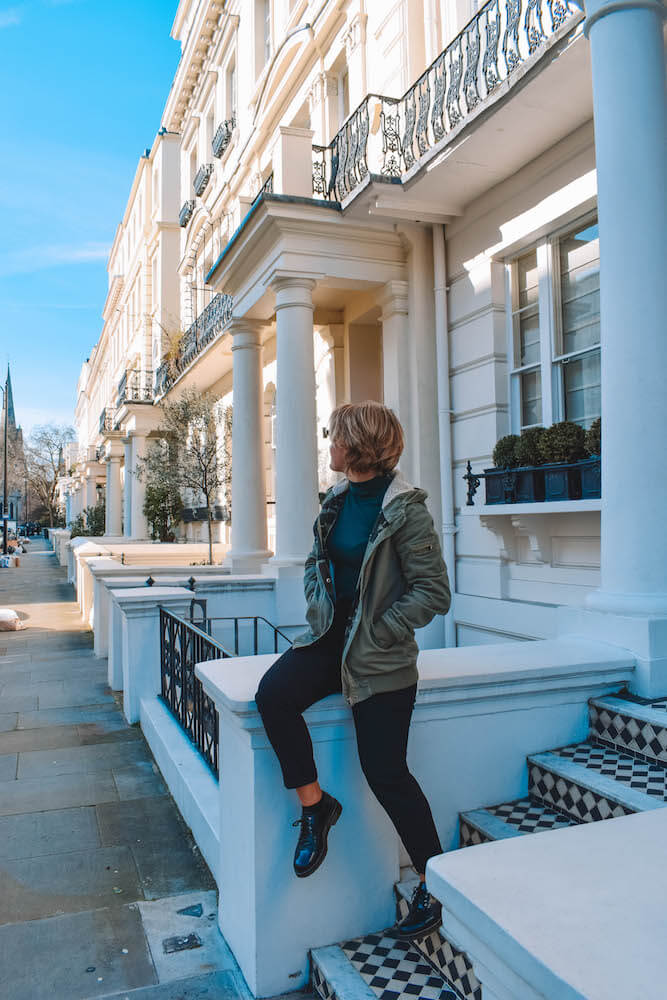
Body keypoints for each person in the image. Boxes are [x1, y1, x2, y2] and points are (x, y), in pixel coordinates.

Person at [255, 400, 451, 939]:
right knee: (273, 696)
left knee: (386, 773)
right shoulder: (337, 501)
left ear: (357, 445)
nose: (329, 445)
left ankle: (435, 882)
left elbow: (434, 592)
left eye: (334, 437)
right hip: (328, 642)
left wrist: (381, 628)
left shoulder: (405, 510)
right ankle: (316, 808)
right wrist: (321, 606)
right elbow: (321, 566)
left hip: (380, 657)